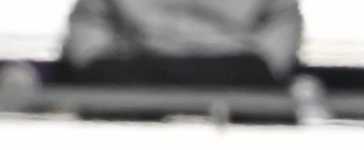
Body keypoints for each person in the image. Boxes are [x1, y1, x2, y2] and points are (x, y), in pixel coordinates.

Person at [56, 0, 301, 93]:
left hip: (236, 71)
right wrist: (96, 66)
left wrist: (267, 68)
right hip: (135, 69)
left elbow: (282, 19)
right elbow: (89, 22)